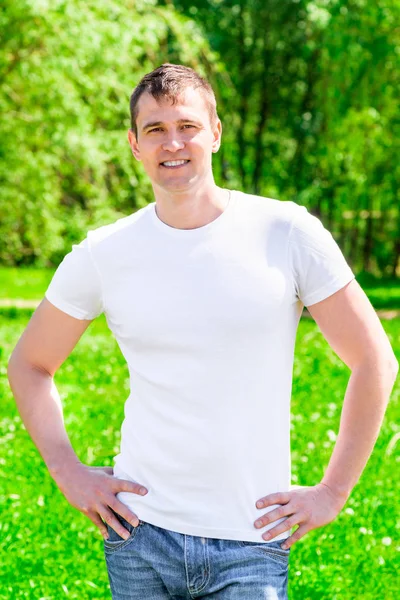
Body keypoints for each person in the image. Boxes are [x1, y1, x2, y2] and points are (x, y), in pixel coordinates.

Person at [7, 63, 398, 600]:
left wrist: (332, 492)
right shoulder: (105, 252)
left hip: (252, 539)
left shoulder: (286, 232)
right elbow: (29, 364)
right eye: (155, 130)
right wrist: (69, 474)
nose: (173, 143)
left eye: (187, 125)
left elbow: (375, 359)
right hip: (139, 535)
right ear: (134, 144)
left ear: (215, 132)